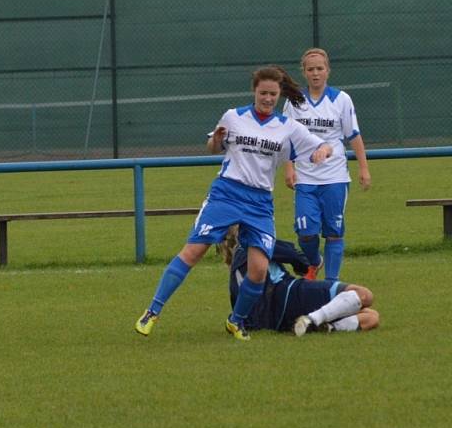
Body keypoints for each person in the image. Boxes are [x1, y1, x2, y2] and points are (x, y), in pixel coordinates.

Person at [134, 65, 333, 341]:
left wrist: (323, 150)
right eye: (263, 93)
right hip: (227, 194)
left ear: (279, 95)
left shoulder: (287, 127)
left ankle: (236, 321)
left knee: (259, 269)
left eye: (272, 94)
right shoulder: (234, 116)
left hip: (260, 203)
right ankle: (152, 311)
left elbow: (322, 146)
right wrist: (216, 140)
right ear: (254, 91)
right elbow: (213, 148)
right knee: (193, 251)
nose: (267, 98)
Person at [282, 48, 371, 282]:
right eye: (310, 69)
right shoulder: (294, 101)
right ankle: (315, 261)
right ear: (304, 72)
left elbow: (354, 136)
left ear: (328, 71)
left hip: (335, 178)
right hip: (305, 178)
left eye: (320, 68)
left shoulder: (341, 99)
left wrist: (364, 168)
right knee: (306, 233)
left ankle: (331, 284)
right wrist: (289, 167)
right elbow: (287, 137)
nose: (315, 73)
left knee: (333, 233)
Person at [217, 226, 379, 335]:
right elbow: (294, 255)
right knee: (364, 295)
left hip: (275, 322)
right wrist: (304, 266)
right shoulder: (255, 242)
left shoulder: (234, 268)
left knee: (371, 317)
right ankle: (312, 319)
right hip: (290, 295)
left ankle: (327, 327)